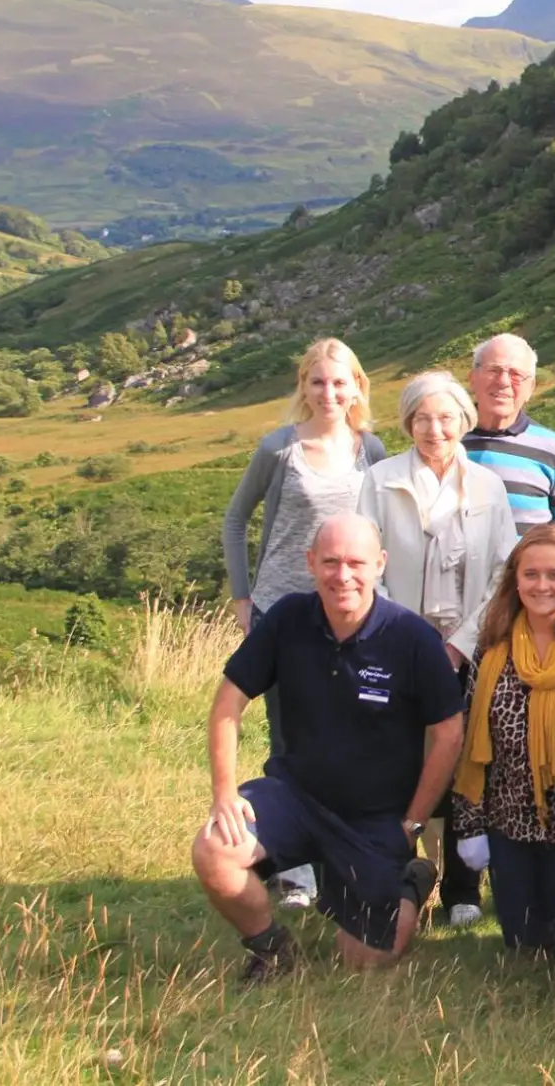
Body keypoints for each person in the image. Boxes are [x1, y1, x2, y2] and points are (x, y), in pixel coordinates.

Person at [190, 515, 463, 982]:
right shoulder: (288, 619)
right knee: (214, 851)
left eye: (356, 562)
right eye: (331, 562)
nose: (343, 575)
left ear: (380, 565)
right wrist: (224, 792)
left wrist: (414, 821)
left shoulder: (411, 638)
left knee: (364, 958)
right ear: (310, 563)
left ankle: (411, 882)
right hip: (295, 797)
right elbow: (227, 703)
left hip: (373, 818)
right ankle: (273, 951)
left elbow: (448, 732)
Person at [220, 337, 387, 905]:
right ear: (304, 387)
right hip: (283, 611)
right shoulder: (279, 448)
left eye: (340, 382)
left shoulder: (374, 450)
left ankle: (343, 854)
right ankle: (294, 869)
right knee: (289, 735)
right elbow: (235, 518)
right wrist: (244, 599)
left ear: (358, 388)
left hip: (350, 612)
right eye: (318, 382)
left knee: (349, 734)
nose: (329, 393)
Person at [357, 369, 517, 927]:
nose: (435, 428)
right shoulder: (378, 481)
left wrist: (460, 645)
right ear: (407, 423)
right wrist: (400, 634)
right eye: (422, 418)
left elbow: (504, 571)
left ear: (463, 422)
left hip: (466, 648)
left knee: (464, 762)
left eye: (446, 417)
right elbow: (364, 561)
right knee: (398, 763)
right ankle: (398, 877)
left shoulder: (488, 487)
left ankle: (462, 889)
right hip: (397, 643)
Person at [451, 525, 555, 961]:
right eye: (531, 574)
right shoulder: (493, 643)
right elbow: (471, 739)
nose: (542, 585)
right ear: (516, 579)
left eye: (553, 574)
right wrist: (471, 826)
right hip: (510, 826)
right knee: (523, 949)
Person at [464, 333, 555, 535]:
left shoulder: (551, 448)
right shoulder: (445, 440)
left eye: (516, 374)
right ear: (472, 378)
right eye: (494, 370)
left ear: (530, 388)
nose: (503, 381)